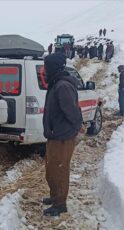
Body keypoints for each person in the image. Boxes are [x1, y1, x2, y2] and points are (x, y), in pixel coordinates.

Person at [42, 53, 83, 216]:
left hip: (62, 136)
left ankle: (60, 204)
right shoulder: (56, 83)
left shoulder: (62, 85)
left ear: (53, 67)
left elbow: (72, 111)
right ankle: (55, 196)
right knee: (51, 168)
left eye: (46, 67)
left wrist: (76, 127)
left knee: (59, 169)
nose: (44, 70)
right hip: (55, 135)